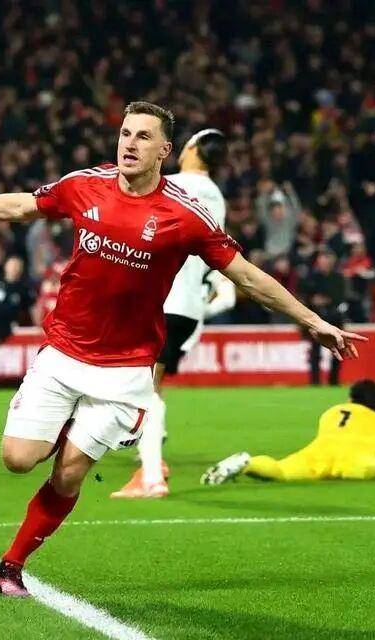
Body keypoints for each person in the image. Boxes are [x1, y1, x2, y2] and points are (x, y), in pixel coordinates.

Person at [0, 101, 366, 598]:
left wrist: (313, 321)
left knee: (69, 474)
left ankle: (11, 566)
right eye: (125, 134)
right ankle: (70, 426)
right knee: (19, 459)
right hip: (64, 353)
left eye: (143, 136)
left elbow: (247, 276)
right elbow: (23, 205)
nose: (129, 144)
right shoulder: (85, 185)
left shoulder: (184, 215)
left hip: (125, 370)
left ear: (164, 150)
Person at [111, 128, 235, 499]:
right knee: (148, 384)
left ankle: (152, 475)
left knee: (144, 388)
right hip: (188, 305)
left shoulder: (175, 186)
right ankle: (150, 453)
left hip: (163, 301)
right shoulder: (216, 197)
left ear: (192, 148)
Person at [201, 379, 375, 486]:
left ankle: (247, 463)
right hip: (355, 458)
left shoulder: (332, 412)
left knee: (281, 470)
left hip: (318, 454)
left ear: (350, 399)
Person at [301, 249, 347, 385]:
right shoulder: (311, 278)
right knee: (315, 351)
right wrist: (313, 300)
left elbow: (341, 297)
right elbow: (304, 296)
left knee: (338, 349)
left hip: (334, 318)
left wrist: (326, 300)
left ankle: (334, 380)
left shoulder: (338, 278)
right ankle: (315, 381)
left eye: (328, 260)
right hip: (317, 319)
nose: (326, 263)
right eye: (323, 260)